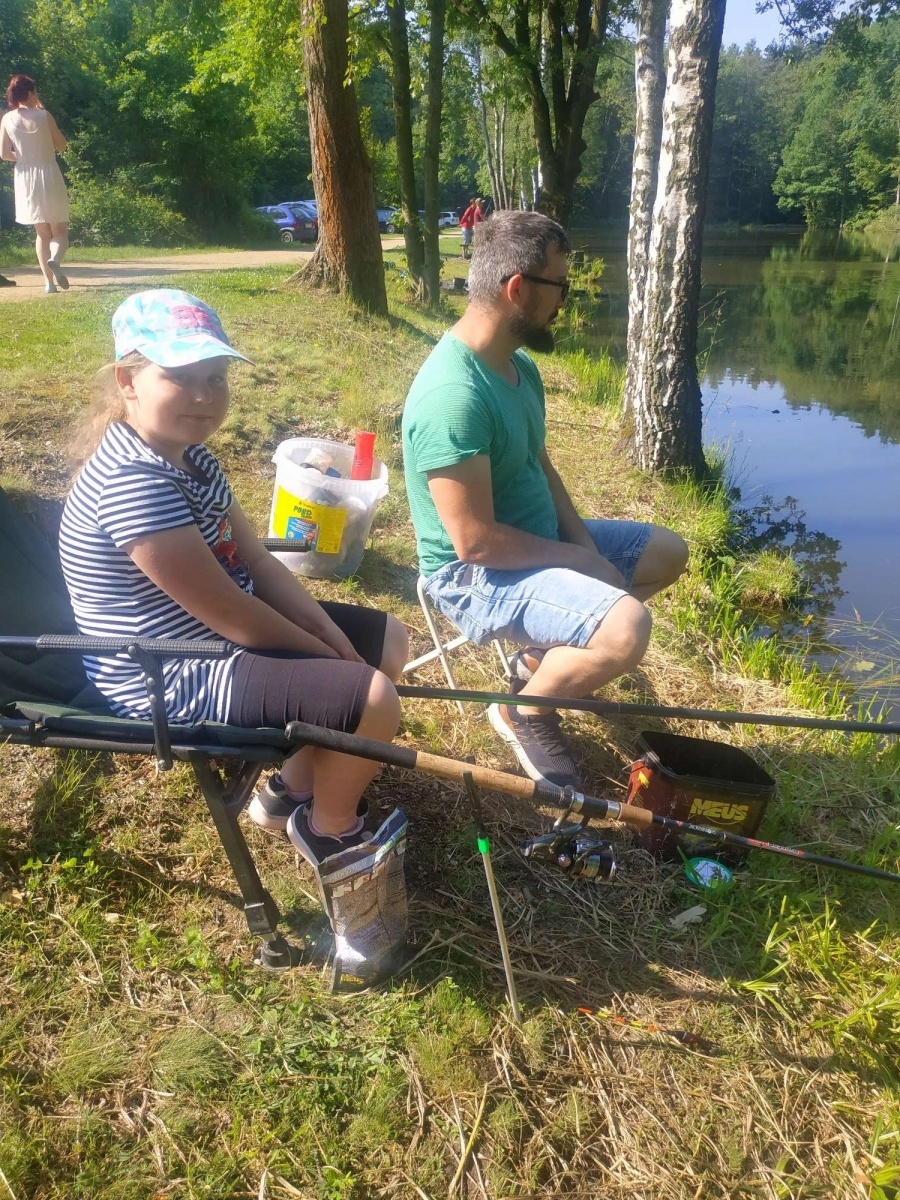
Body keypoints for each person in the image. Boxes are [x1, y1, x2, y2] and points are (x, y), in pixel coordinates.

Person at [60, 288, 411, 987]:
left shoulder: (195, 459)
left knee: (389, 640)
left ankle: (284, 794)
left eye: (215, 378)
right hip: (172, 667)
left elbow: (253, 564)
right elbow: (232, 617)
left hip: (220, 635)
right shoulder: (132, 480)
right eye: (179, 377)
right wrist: (325, 655)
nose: (203, 395)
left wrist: (321, 626)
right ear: (127, 381)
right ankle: (327, 827)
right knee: (373, 699)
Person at [402, 211, 689, 791]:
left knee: (667, 551)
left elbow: (539, 461)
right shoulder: (453, 395)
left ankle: (536, 662)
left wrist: (582, 544)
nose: (564, 299)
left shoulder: (518, 366)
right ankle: (523, 709)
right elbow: (475, 542)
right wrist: (580, 562)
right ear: (518, 289)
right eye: (559, 285)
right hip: (473, 576)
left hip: (535, 546)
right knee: (626, 628)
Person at [1, 75, 70, 294]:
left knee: (41, 233)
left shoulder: (7, 119)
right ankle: (55, 259)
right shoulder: (44, 115)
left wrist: (23, 158)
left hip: (25, 177)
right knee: (59, 229)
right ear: (30, 93)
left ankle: (49, 283)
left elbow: (3, 154)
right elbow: (63, 146)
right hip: (49, 172)